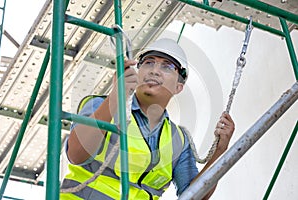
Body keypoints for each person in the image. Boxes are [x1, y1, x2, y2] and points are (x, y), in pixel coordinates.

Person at [60, 38, 235, 199]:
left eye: (167, 67)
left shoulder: (179, 141)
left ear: (178, 87)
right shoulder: (102, 106)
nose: (154, 71)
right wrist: (115, 98)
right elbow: (76, 155)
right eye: (148, 63)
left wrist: (219, 151)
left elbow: (195, 196)